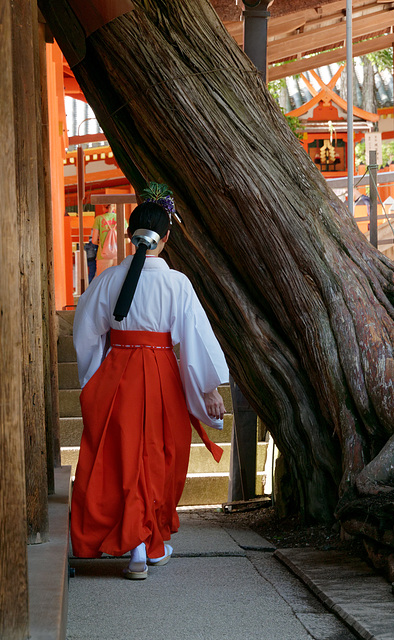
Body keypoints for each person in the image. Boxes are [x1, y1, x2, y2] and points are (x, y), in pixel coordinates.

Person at [71, 187, 228, 580]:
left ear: (130, 235)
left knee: (119, 461)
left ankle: (135, 542)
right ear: (167, 237)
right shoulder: (177, 284)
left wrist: (93, 377)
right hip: (160, 375)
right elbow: (194, 340)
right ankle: (146, 543)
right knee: (158, 458)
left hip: (117, 375)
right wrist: (207, 389)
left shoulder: (108, 280)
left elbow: (86, 331)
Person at [91, 203, 117, 276]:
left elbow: (94, 240)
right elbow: (127, 240)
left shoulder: (99, 219)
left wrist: (102, 242)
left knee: (102, 281)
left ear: (103, 207)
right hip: (118, 255)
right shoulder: (121, 218)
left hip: (103, 256)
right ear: (114, 206)